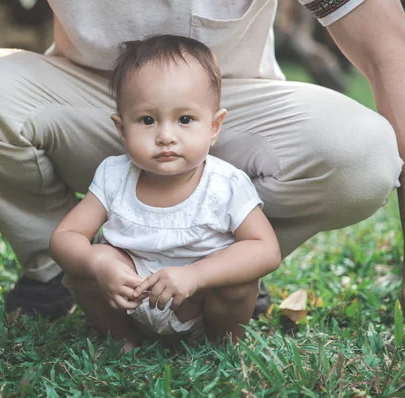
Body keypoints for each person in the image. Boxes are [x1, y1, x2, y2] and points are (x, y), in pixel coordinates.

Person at [0, 0, 405, 371]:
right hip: (87, 96)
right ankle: (58, 273)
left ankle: (221, 269)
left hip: (230, 103)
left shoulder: (213, 132)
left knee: (364, 152)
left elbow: (392, 52)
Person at [49, 35, 282, 350]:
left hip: (199, 302)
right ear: (121, 129)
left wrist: (197, 276)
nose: (166, 136)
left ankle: (224, 344)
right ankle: (121, 338)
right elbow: (65, 236)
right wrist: (97, 264)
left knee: (239, 283)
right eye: (147, 120)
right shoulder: (113, 175)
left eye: (185, 120)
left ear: (214, 127)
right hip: (129, 297)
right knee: (88, 264)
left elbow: (266, 249)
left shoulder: (225, 183)